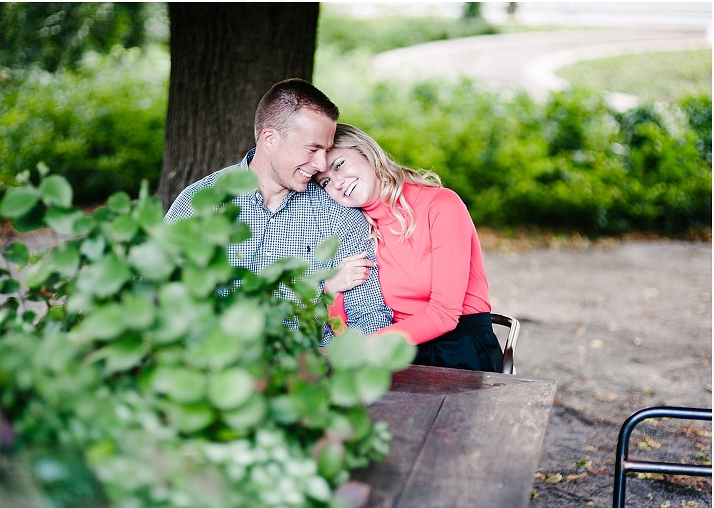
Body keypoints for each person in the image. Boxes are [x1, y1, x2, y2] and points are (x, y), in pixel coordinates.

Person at [163, 79, 392, 346]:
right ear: (270, 138)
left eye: (327, 151)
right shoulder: (199, 203)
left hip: (311, 368)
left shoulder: (337, 211)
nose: (321, 165)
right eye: (313, 149)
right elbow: (158, 295)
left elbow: (370, 315)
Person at [315, 123, 503, 372]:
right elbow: (348, 314)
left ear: (365, 151)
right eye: (325, 182)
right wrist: (330, 287)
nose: (337, 183)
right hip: (399, 351)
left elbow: (444, 315)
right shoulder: (357, 229)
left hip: (460, 350)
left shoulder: (441, 205)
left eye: (339, 165)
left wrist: (360, 347)